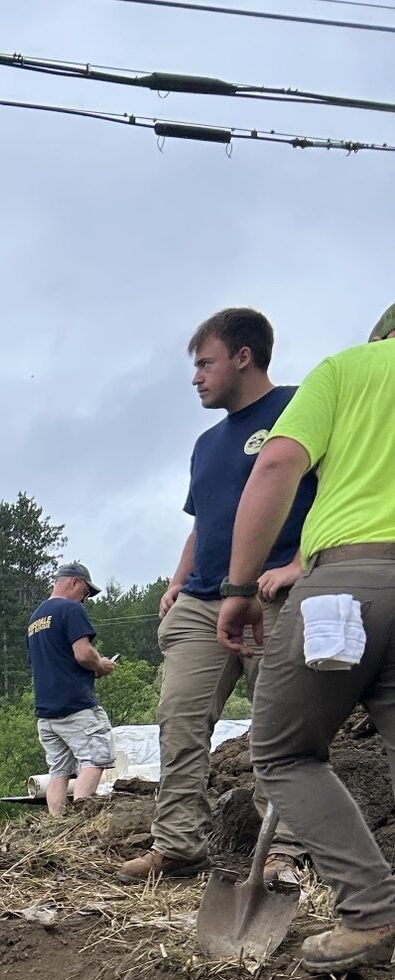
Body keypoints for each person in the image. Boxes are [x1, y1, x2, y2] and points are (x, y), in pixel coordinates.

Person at [218, 302, 395, 974]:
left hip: (348, 584)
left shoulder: (347, 370)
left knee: (286, 750)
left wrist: (238, 590)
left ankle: (370, 910)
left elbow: (276, 467)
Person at [121, 307, 317, 886]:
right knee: (178, 719)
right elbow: (202, 520)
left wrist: (300, 564)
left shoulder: (300, 408)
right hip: (204, 603)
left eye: (204, 363)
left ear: (243, 356)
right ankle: (179, 846)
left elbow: (336, 493)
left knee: (278, 725)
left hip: (274, 594)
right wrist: (179, 580)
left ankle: (284, 849)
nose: (196, 376)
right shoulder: (207, 443)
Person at [25, 562, 118, 815]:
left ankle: (58, 826)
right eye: (86, 593)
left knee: (58, 772)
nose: (85, 600)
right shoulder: (71, 609)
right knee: (95, 759)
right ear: (74, 582)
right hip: (76, 707)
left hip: (47, 715)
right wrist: (101, 665)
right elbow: (83, 653)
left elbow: (50, 663)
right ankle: (81, 822)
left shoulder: (35, 620)